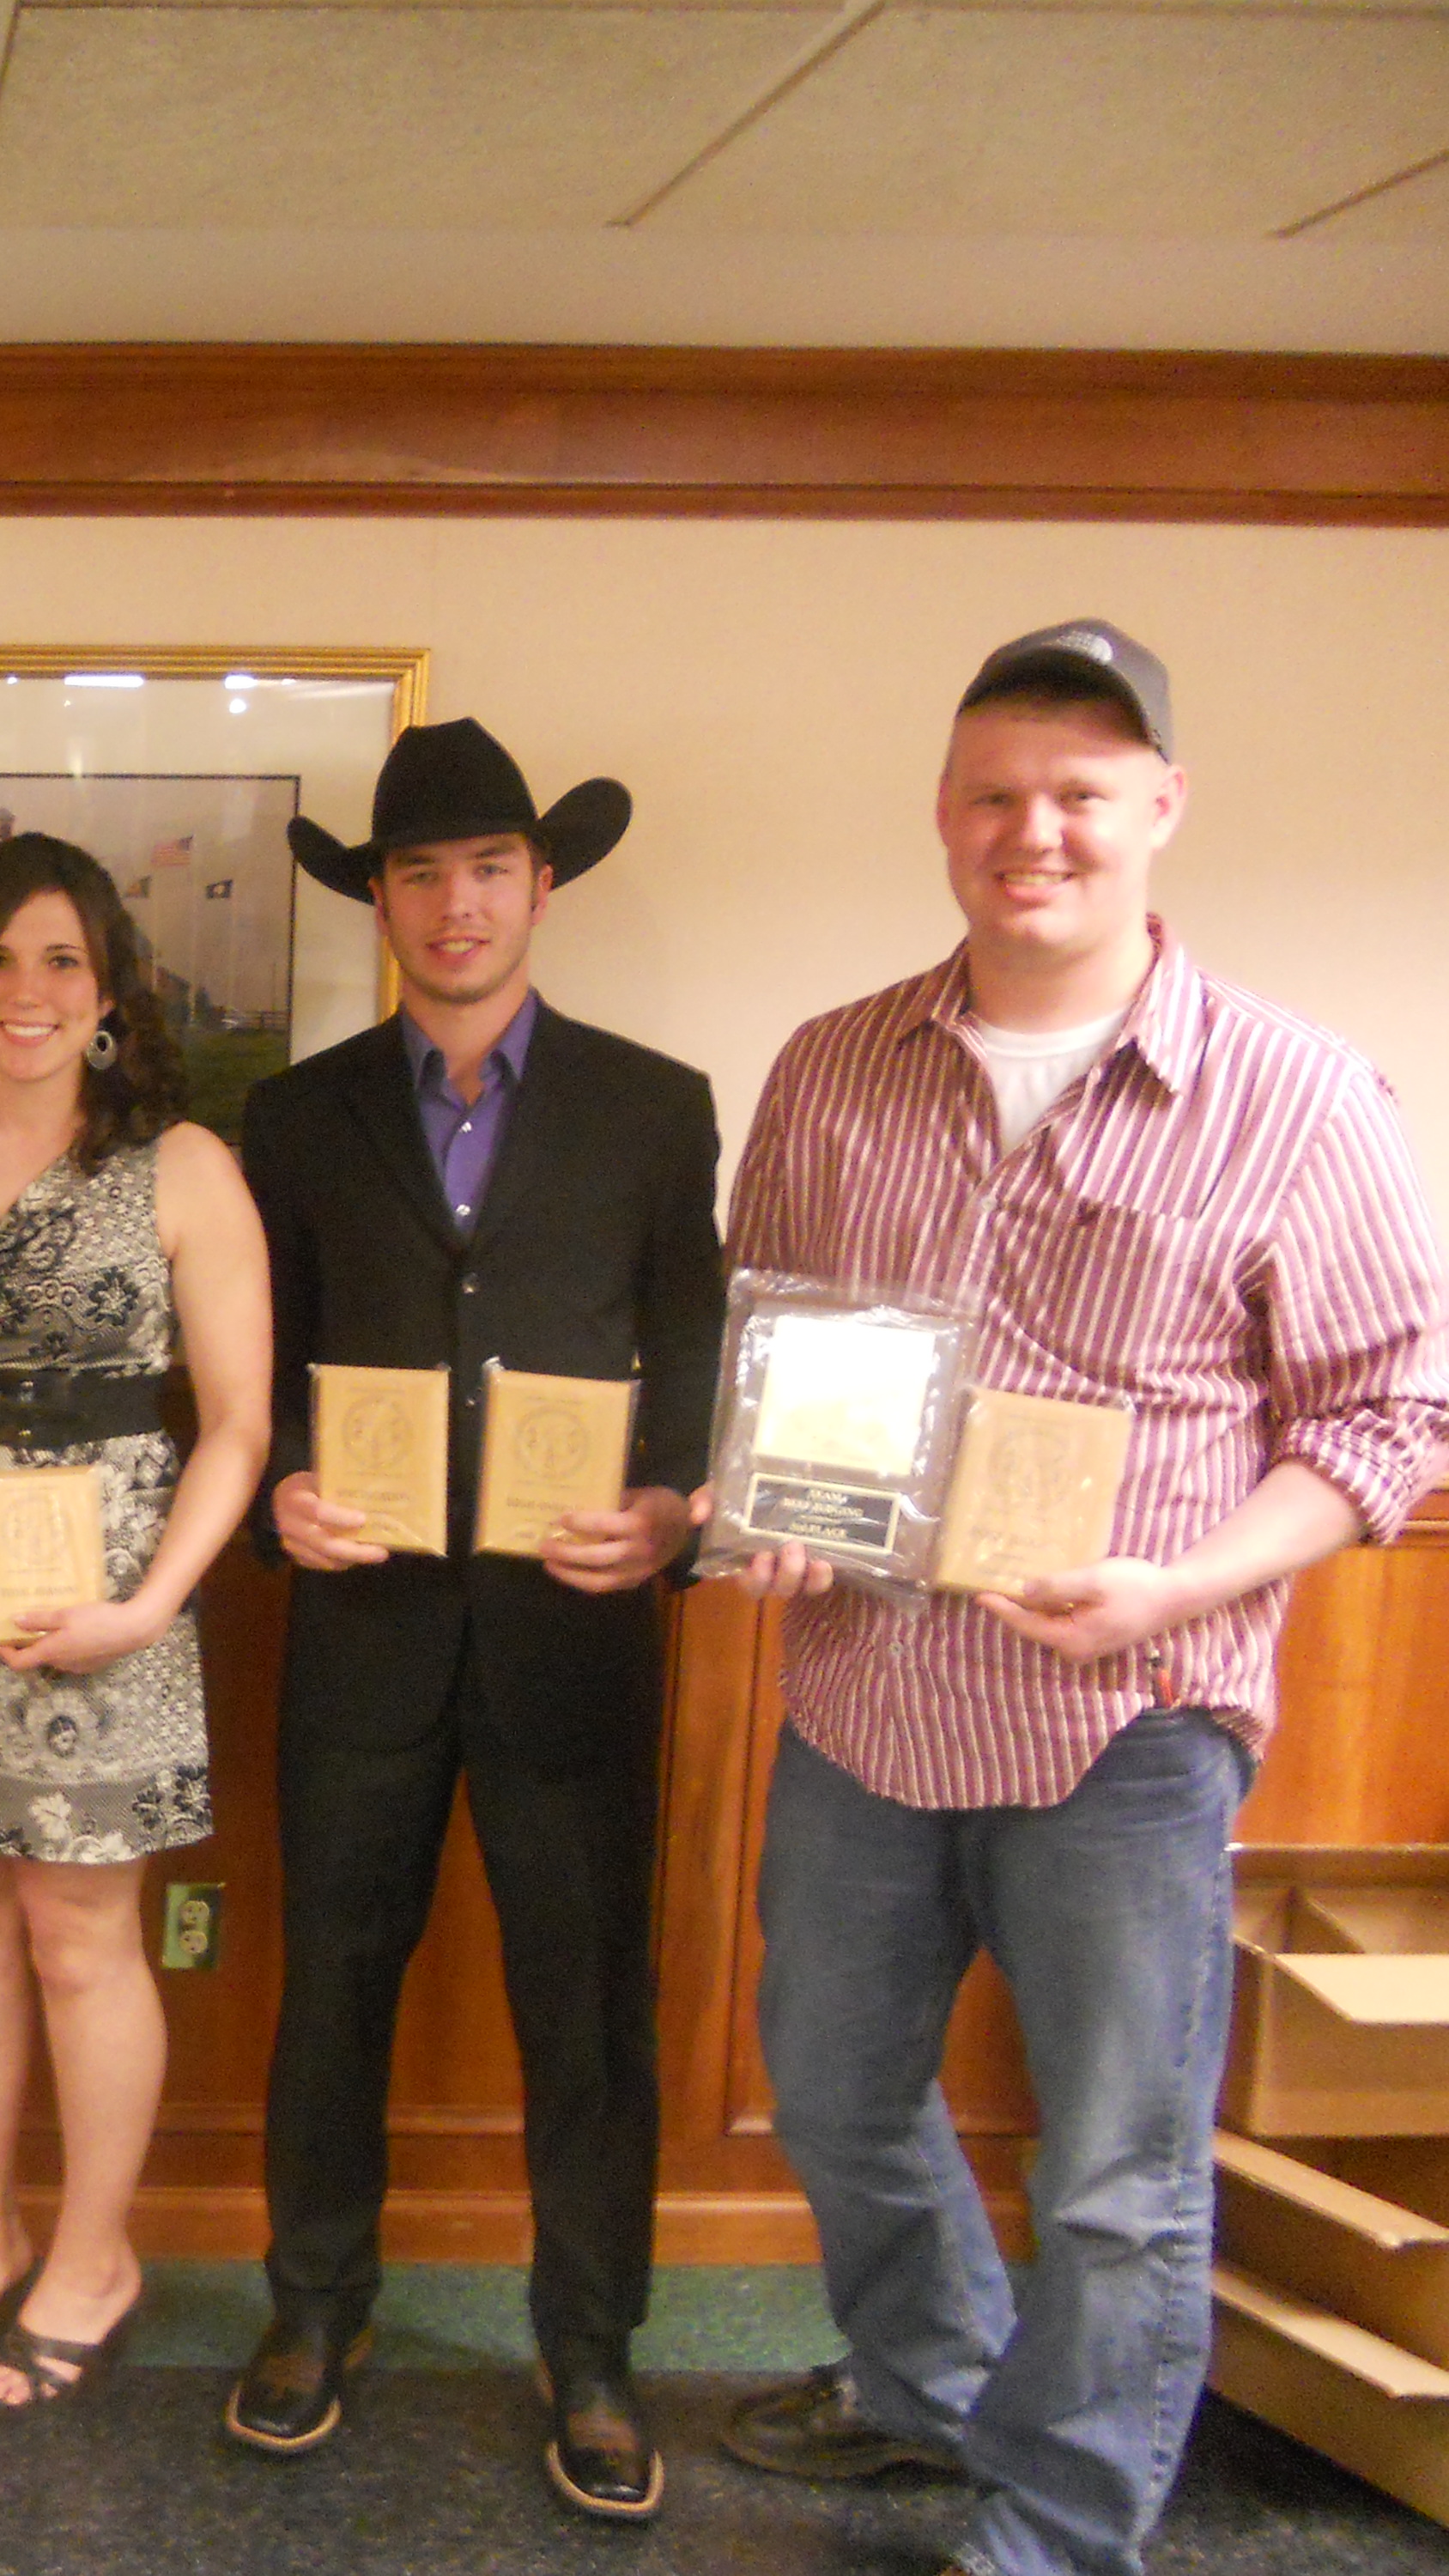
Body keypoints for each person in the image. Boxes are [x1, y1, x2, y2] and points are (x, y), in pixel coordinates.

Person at [710, 621, 1449, 2576]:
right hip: (860, 1694)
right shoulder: (828, 1064)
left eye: (1077, 797)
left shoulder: (1295, 1094)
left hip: (1128, 1724)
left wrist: (1175, 1588)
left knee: (1118, 2182)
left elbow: (1384, 1424)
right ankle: (932, 2387)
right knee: (835, 2094)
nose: (1029, 832)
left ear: (1157, 814)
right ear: (943, 816)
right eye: (990, 795)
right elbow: (773, 1350)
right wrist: (759, 1498)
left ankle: (1050, 2529)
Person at [229, 720, 724, 2519]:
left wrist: (669, 1512)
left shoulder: (652, 1105)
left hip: (572, 1637)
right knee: (329, 1988)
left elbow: (692, 1345)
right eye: (419, 871)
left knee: (588, 2010)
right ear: (377, 897)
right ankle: (313, 2313)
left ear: (537, 885)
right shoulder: (291, 1117)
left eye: (487, 869)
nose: (454, 904)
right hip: (358, 1630)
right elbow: (252, 1364)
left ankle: (588, 2352)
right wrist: (281, 1480)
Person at [0, 833, 272, 2413]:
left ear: (108, 991)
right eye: (0, 957)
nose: (28, 990)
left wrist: (147, 1606)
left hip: (108, 1591)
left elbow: (234, 1423)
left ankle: (95, 2254)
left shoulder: (184, 1167)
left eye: (62, 959)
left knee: (84, 1937)